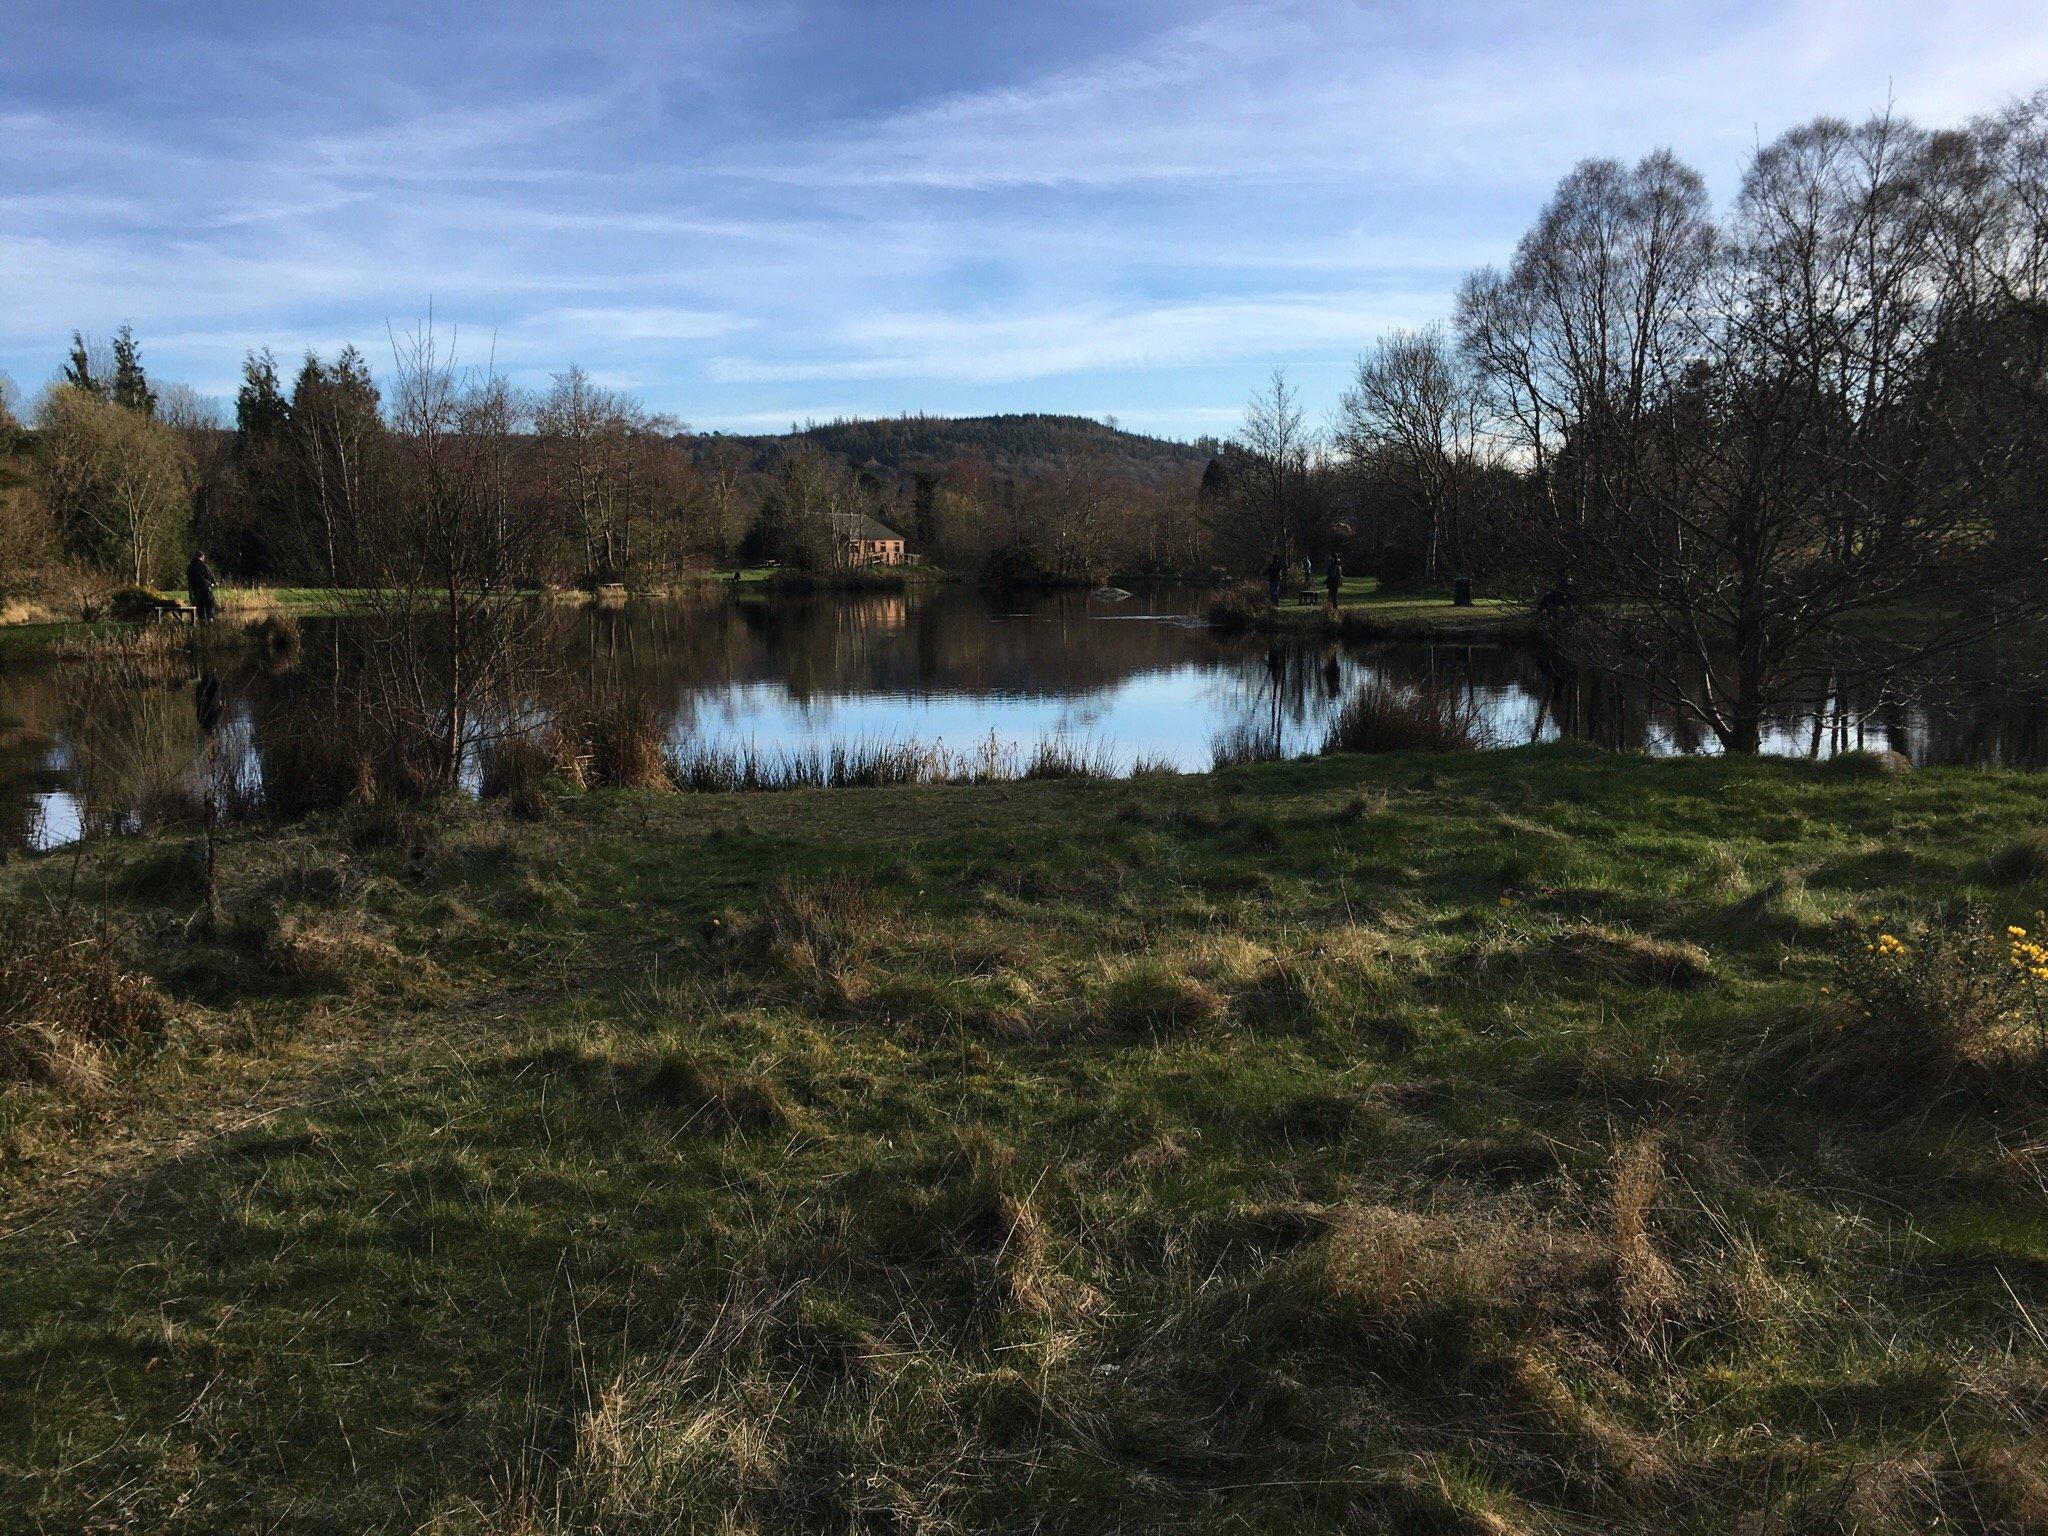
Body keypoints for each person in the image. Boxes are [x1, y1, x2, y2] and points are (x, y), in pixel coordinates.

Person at [186, 550, 217, 623]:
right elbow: (210, 575)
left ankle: (201, 622)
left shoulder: (190, 566)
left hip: (195, 589)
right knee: (209, 604)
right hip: (205, 588)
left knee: (200, 606)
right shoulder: (203, 566)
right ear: (202, 557)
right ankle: (210, 622)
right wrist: (214, 582)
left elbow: (189, 578)